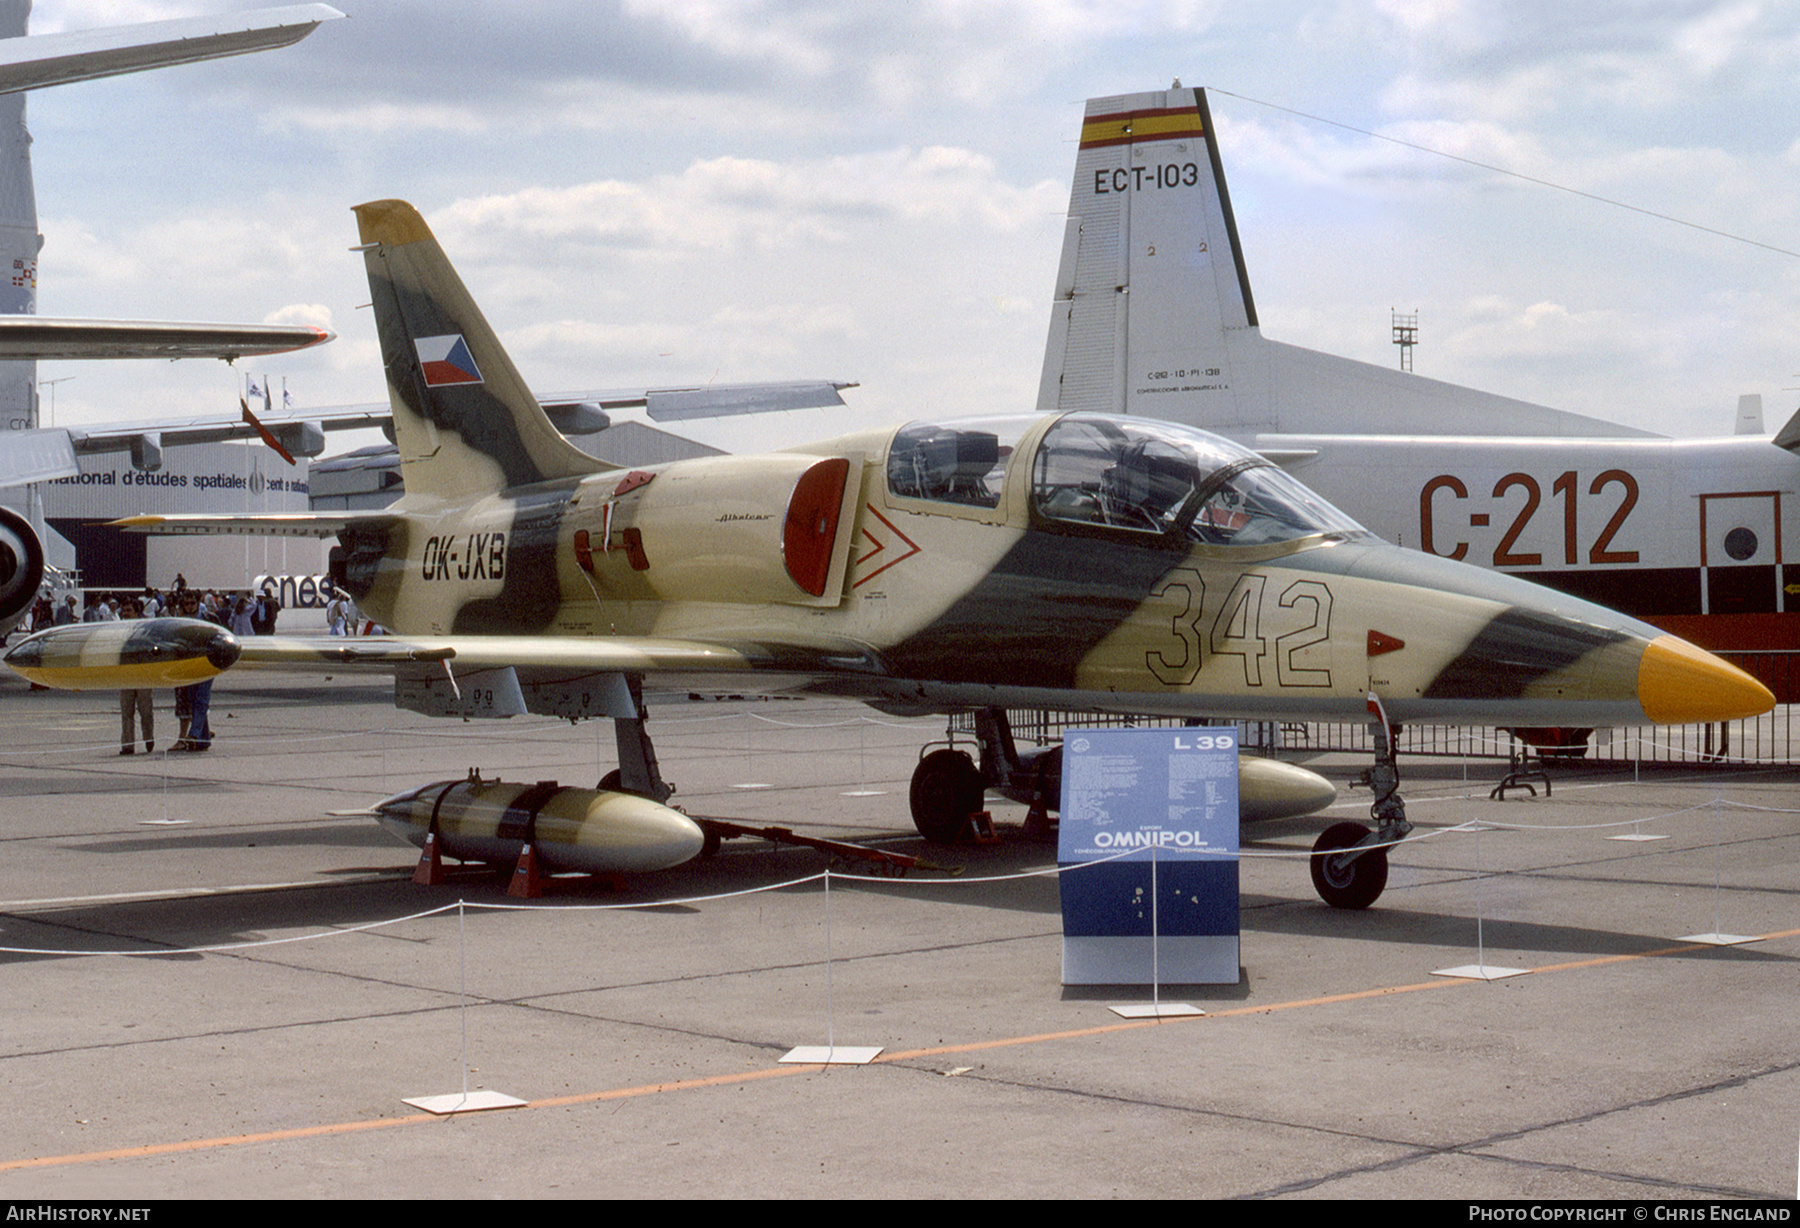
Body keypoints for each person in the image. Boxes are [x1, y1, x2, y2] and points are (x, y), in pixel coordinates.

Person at [169, 591, 217, 752]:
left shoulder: (209, 619)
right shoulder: (182, 621)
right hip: (190, 665)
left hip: (207, 663)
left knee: (202, 699)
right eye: (187, 603)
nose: (189, 606)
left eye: (192, 603)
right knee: (193, 699)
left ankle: (194, 734)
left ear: (197, 603)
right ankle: (203, 740)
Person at [117, 600, 154, 755]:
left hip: (142, 674)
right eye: (124, 610)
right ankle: (128, 744)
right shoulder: (118, 629)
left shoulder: (145, 628)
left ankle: (148, 738)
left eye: (128, 610)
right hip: (125, 674)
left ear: (136, 612)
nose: (125, 613)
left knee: (145, 710)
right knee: (126, 711)